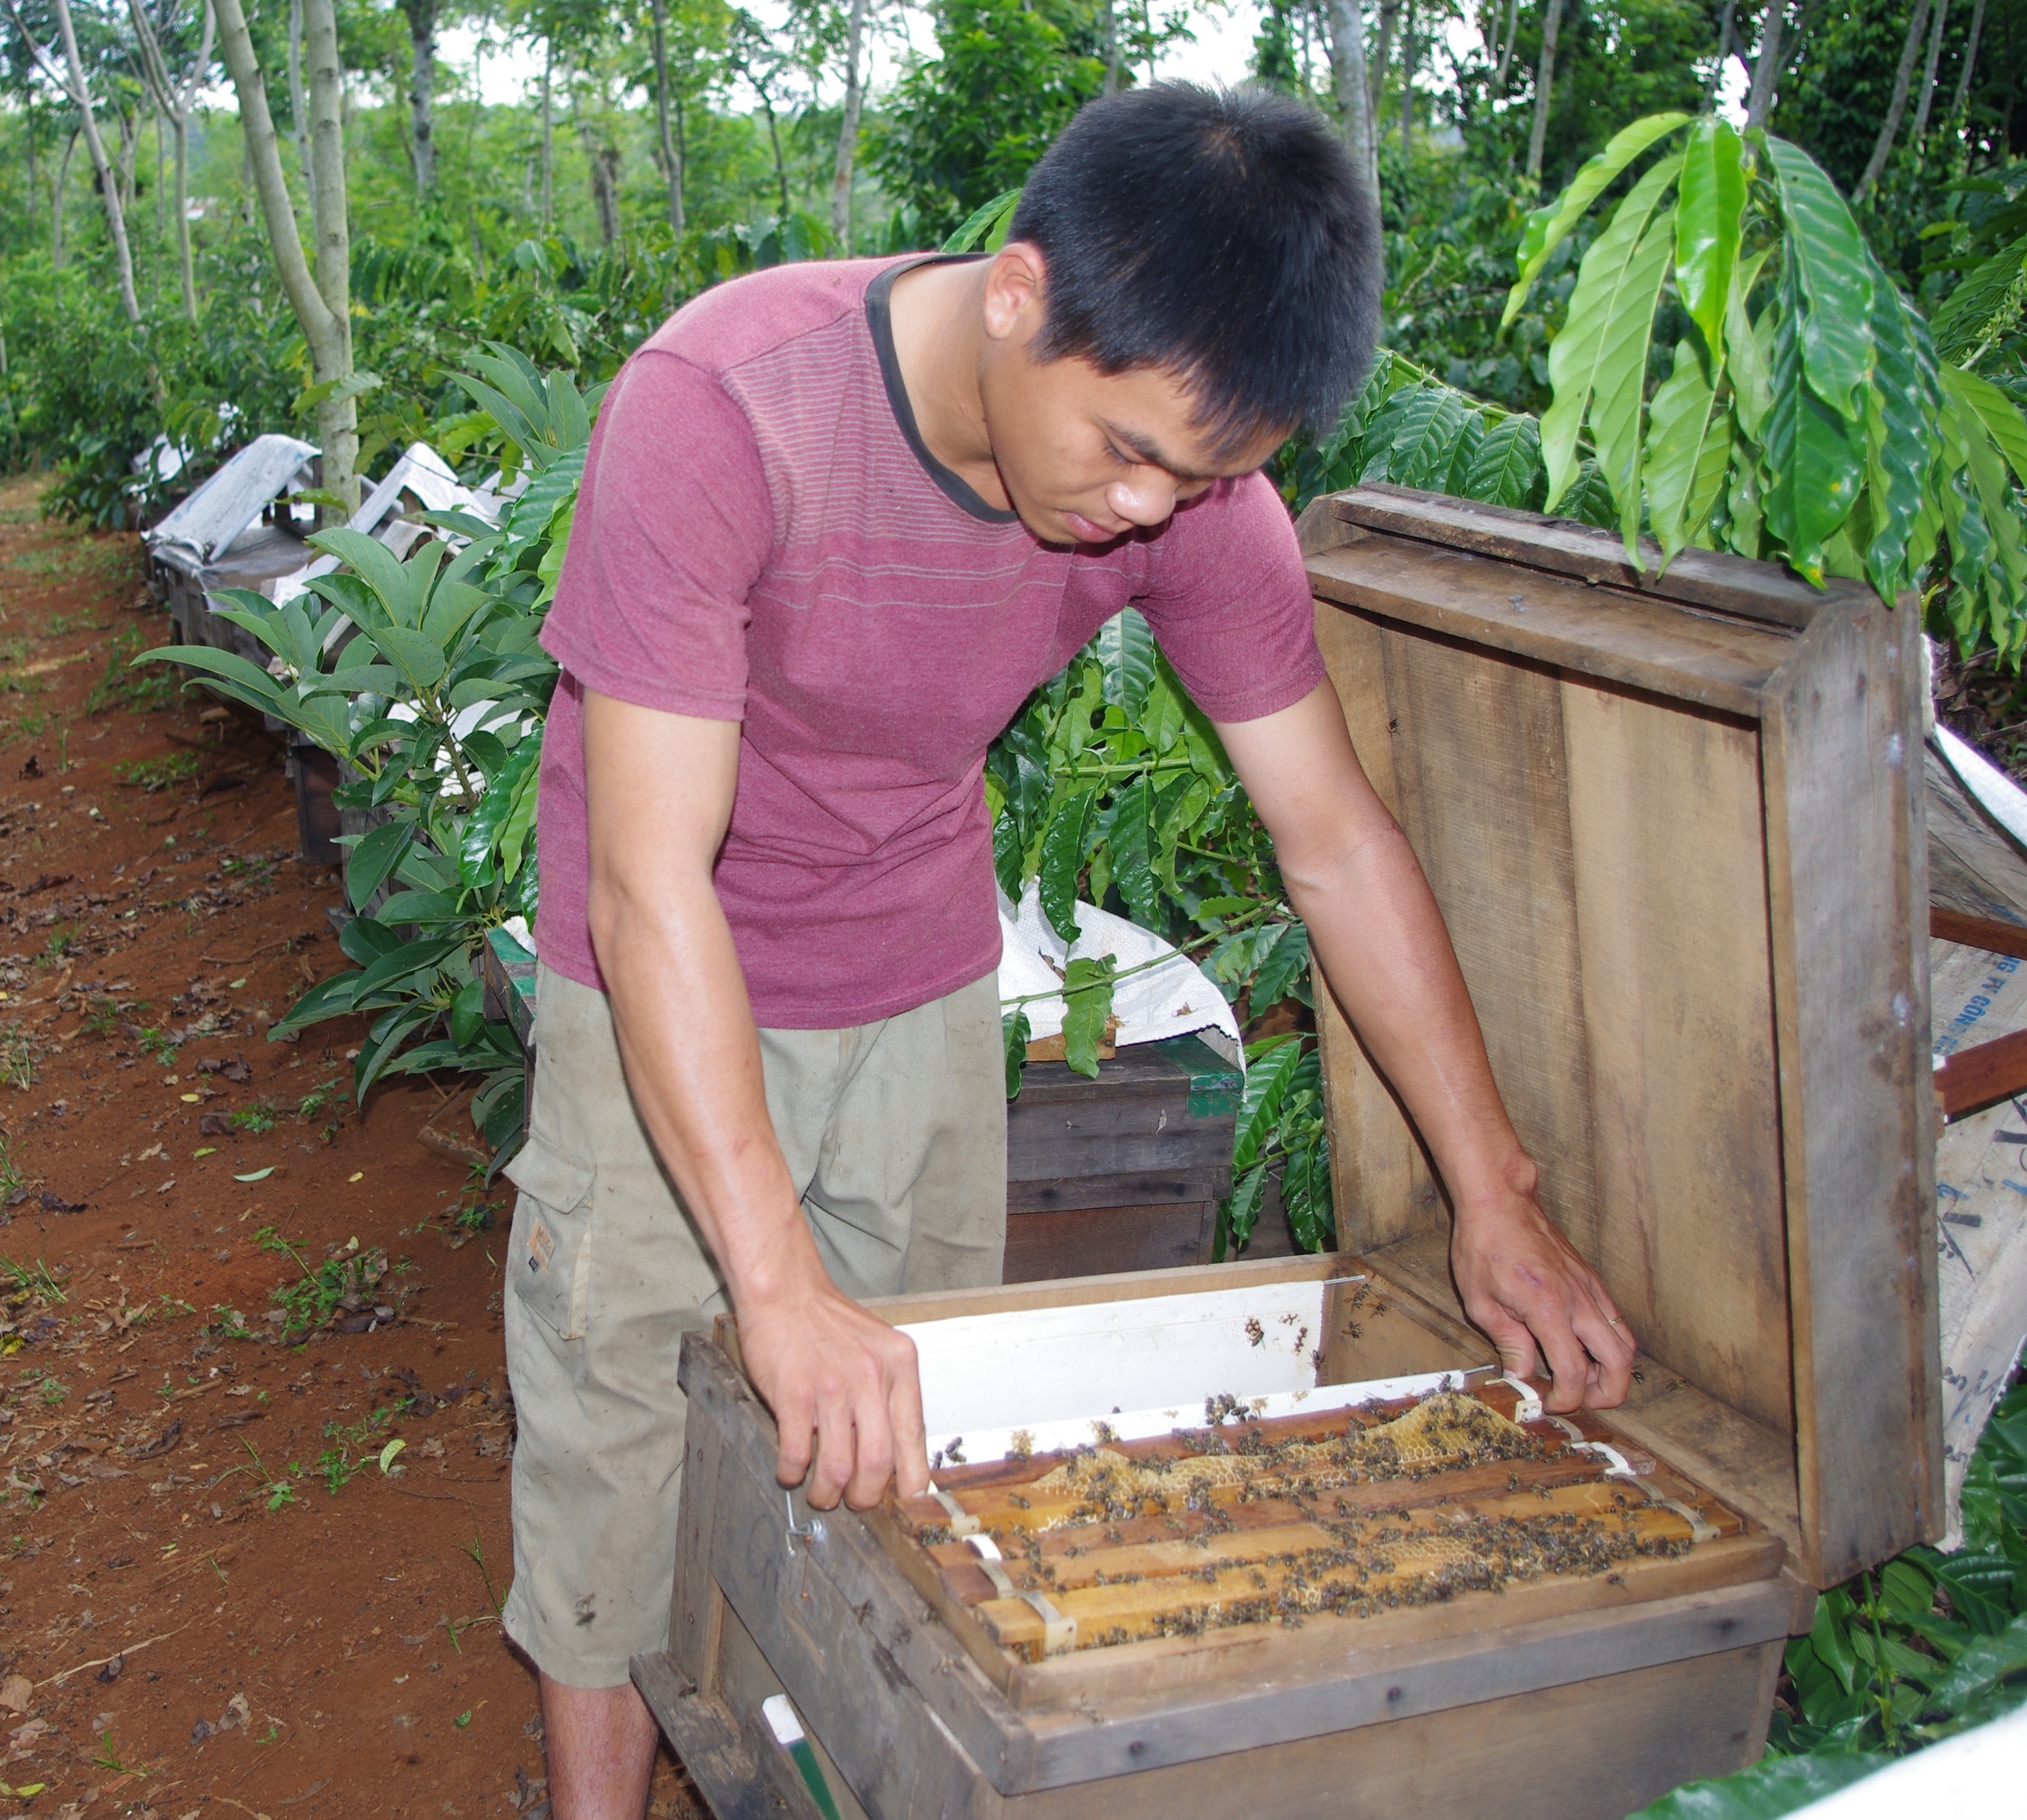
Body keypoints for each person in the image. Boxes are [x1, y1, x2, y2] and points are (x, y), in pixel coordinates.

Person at [497, 81, 1638, 1818]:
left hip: (919, 966)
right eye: (1127, 451)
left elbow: (1334, 841)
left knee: (905, 1427)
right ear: (1017, 294)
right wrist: (775, 1285)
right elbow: (653, 886)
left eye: (1205, 477)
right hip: (654, 963)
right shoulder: (725, 405)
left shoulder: (1190, 502)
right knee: (622, 1431)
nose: (1147, 508)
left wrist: (1494, 1189)